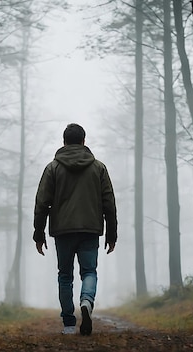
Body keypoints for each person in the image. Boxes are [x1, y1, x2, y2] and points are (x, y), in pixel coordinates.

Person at [33, 123, 118, 336]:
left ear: (64, 142)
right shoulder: (98, 168)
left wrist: (38, 232)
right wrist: (112, 232)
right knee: (89, 271)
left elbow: (42, 202)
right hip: (90, 229)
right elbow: (109, 202)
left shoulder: (53, 168)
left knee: (65, 276)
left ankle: (69, 324)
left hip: (63, 231)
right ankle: (86, 300)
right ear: (83, 141)